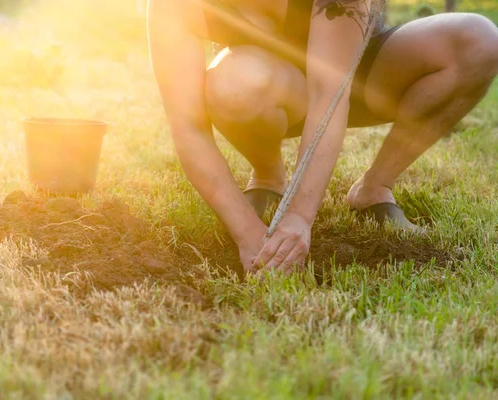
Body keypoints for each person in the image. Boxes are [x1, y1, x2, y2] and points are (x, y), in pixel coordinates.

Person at [147, 0, 498, 275]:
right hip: (274, 85)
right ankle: (268, 175)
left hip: (358, 74)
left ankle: (374, 187)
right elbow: (188, 126)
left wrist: (299, 219)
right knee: (234, 85)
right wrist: (248, 234)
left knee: (480, 40)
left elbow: (329, 97)